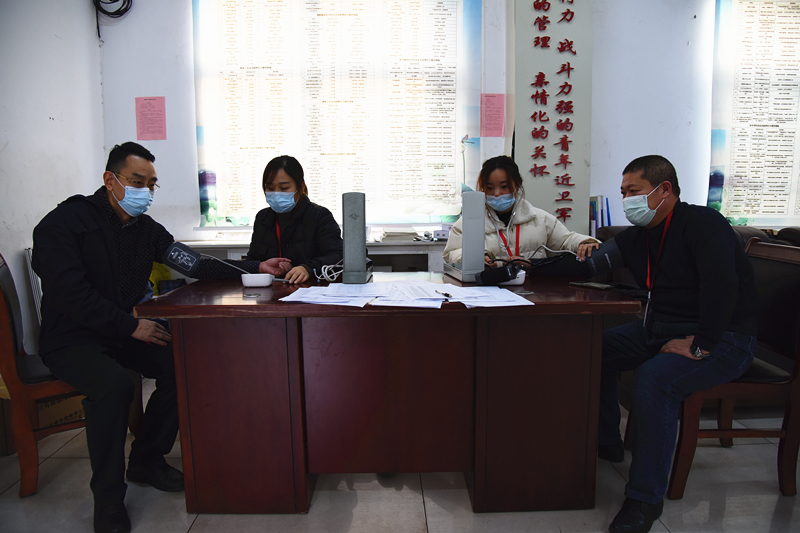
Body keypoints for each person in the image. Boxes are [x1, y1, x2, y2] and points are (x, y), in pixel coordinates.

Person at [32, 142, 282, 533]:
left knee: (183, 365)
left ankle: (146, 459)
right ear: (110, 180)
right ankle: (108, 499)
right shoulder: (64, 223)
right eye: (137, 181)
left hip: (123, 331)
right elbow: (69, 294)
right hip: (72, 337)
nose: (145, 191)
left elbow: (194, 263)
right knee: (114, 385)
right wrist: (129, 325)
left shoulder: (145, 230)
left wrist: (254, 267)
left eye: (151, 184)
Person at [579, 155, 757, 533]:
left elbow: (723, 285)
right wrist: (521, 267)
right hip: (659, 330)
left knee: (655, 378)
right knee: (591, 351)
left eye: (634, 191)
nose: (626, 200)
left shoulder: (703, 224)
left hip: (724, 339)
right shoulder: (640, 236)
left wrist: (702, 345)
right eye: (623, 192)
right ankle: (607, 442)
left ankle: (645, 499)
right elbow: (589, 265)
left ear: (664, 190)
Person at [442, 155, 598, 267]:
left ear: (517, 186)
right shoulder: (468, 223)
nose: (497, 193)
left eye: (504, 186)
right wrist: (473, 257)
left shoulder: (540, 219)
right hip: (488, 291)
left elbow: (566, 241)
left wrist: (585, 242)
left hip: (533, 291)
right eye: (489, 188)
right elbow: (451, 253)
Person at [245, 155, 343, 283]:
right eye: (270, 188)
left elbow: (339, 256)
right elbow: (252, 260)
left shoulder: (320, 216)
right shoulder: (263, 218)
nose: (276, 193)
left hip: (310, 289)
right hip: (270, 289)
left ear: (301, 187)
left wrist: (308, 268)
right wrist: (260, 266)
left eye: (284, 188)